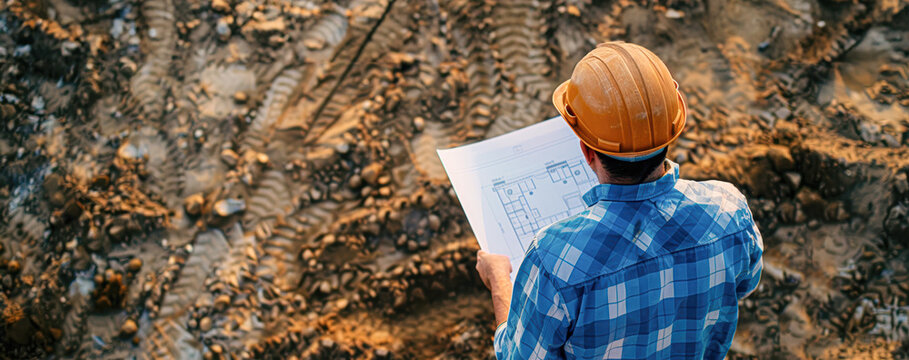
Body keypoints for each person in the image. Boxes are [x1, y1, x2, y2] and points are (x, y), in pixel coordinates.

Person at [475, 41, 764, 359]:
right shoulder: (729, 210)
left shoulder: (553, 258)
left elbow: (519, 356)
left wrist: (499, 280)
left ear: (587, 152)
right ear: (673, 128)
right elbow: (745, 282)